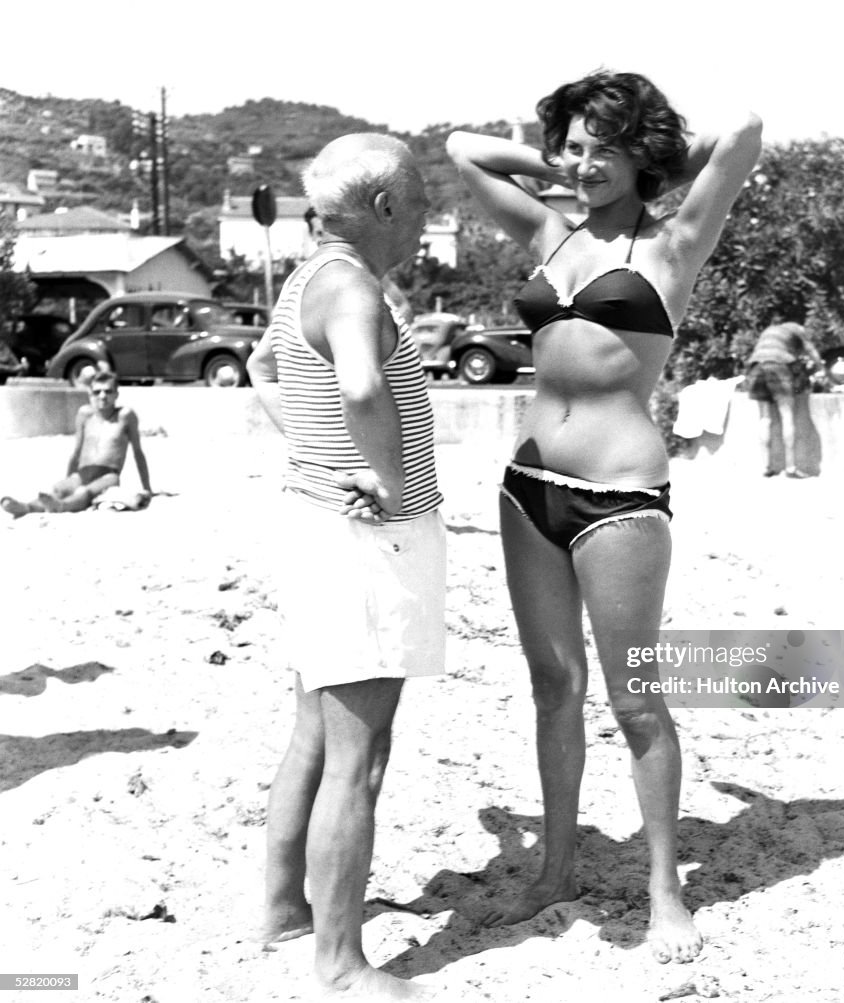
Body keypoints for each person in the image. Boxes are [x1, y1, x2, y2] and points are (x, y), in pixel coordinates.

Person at [447, 71, 761, 964]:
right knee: (552, 688)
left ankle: (666, 888)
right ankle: (553, 868)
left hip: (619, 495)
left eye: (602, 149)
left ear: (642, 154)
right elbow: (463, 152)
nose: (583, 163)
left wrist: (658, 161)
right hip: (526, 486)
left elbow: (741, 128)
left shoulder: (675, 241)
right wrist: (566, 161)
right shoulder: (551, 229)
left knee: (636, 702)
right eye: (573, 147)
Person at [246, 134, 445, 1002]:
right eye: (422, 210)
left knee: (315, 732)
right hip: (361, 542)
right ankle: (340, 960)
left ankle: (285, 907)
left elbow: (261, 368)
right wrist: (397, 486)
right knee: (359, 757)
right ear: (386, 208)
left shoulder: (305, 281)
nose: (424, 227)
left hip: (314, 520)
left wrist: (315, 452)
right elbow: (364, 390)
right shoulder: (355, 287)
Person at [2, 370, 152, 518]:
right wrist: (68, 480)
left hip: (108, 475)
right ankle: (26, 508)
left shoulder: (125, 416)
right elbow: (76, 451)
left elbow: (138, 452)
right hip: (82, 473)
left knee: (83, 493)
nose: (102, 396)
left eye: (108, 391)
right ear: (90, 394)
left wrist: (147, 488)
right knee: (58, 489)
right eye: (97, 392)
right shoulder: (85, 414)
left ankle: (62, 507)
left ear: (116, 394)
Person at [745, 321, 823, 478]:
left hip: (756, 366)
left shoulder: (771, 329)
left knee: (765, 418)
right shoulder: (797, 329)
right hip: (778, 366)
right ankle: (790, 468)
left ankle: (767, 466)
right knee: (787, 415)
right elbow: (811, 351)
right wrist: (821, 368)